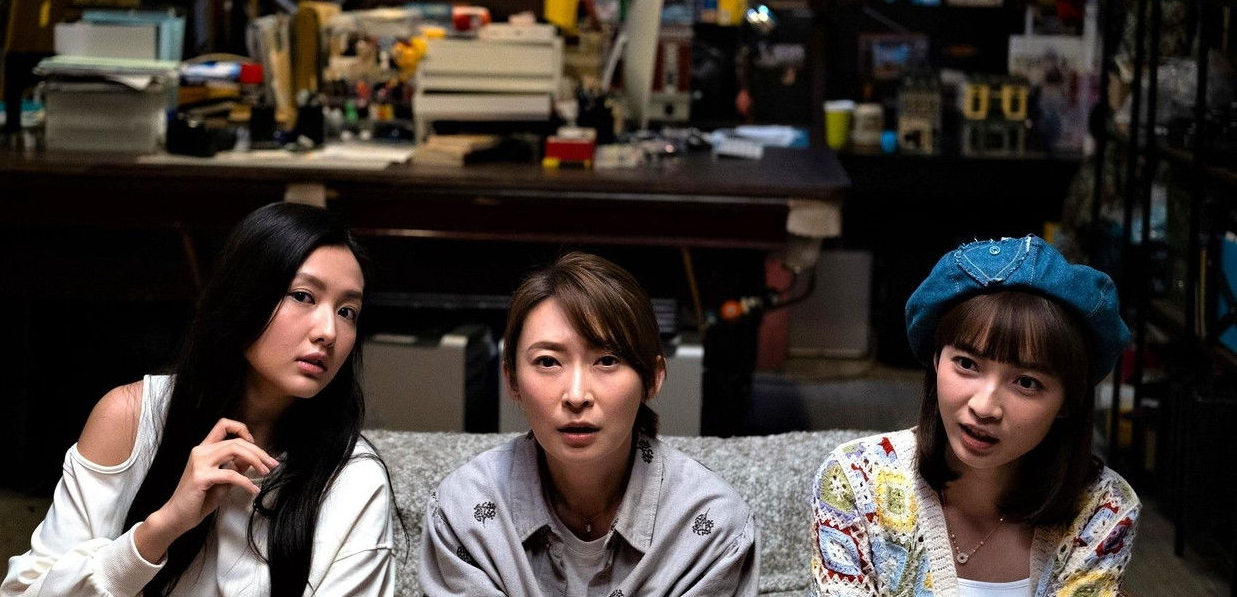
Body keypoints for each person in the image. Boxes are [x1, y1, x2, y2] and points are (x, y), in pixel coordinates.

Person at [2, 202, 394, 597]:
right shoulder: (131, 419)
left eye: (347, 311)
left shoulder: (354, 478)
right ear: (244, 295)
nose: (328, 331)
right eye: (303, 296)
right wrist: (163, 527)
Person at [810, 235, 1139, 597]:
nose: (984, 407)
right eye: (967, 364)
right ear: (936, 360)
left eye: (1026, 382)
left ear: (1068, 401)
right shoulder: (856, 480)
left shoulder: (1102, 509)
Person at [421, 252, 757, 596]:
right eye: (548, 362)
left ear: (652, 379)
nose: (577, 395)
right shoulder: (463, 512)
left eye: (607, 360)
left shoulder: (713, 527)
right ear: (512, 380)